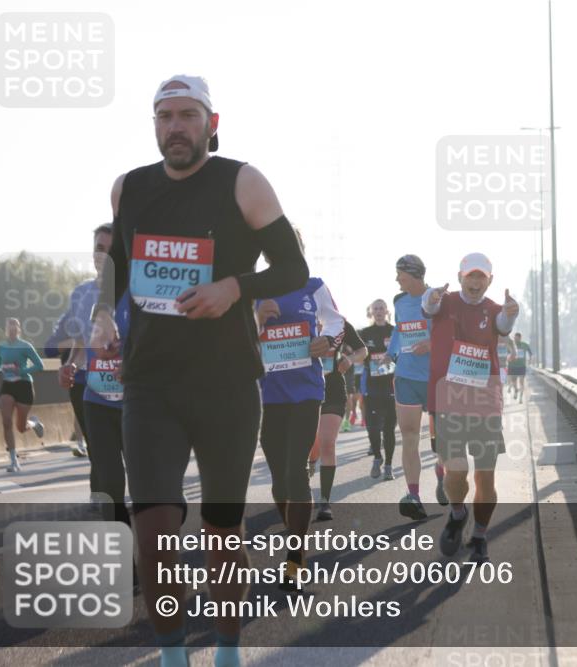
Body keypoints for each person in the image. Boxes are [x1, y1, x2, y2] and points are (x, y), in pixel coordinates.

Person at [90, 75, 309, 667]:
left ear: (212, 122)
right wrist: (103, 314)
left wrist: (235, 287)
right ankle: (170, 654)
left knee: (221, 534)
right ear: (154, 125)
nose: (175, 126)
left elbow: (293, 268)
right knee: (154, 532)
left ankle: (228, 650)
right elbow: (119, 263)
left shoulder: (243, 181)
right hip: (150, 384)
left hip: (228, 385)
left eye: (188, 115)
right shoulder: (129, 188)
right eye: (164, 116)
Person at [255, 250, 343, 591]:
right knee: (279, 480)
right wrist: (257, 317)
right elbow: (235, 335)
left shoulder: (313, 285)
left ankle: (295, 557)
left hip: (307, 390)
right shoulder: (256, 288)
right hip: (270, 393)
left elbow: (336, 321)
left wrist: (328, 341)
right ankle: (295, 534)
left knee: (296, 472)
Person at [423, 253, 519, 564]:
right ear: (460, 276)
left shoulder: (494, 310)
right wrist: (430, 295)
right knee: (455, 472)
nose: (475, 282)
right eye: (470, 276)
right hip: (449, 400)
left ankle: (479, 535)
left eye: (481, 277)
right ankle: (457, 512)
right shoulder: (445, 301)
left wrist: (511, 314)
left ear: (490, 280)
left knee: (485, 478)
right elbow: (429, 306)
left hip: (485, 403)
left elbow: (503, 325)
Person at [61, 292, 133, 529]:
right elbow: (81, 344)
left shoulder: (139, 306)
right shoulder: (89, 305)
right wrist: (71, 364)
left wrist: (131, 363)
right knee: (110, 479)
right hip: (97, 403)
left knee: (142, 479)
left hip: (134, 406)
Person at [45, 223, 115, 467]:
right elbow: (80, 340)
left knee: (132, 453)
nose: (104, 255)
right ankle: (104, 501)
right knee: (99, 451)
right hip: (87, 382)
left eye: (111, 248)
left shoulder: (134, 289)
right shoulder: (81, 293)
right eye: (99, 248)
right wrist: (71, 365)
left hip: (124, 381)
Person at [387, 255, 438, 519]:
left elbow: (451, 333)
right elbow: (399, 330)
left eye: (401, 276)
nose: (397, 280)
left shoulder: (436, 299)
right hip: (406, 376)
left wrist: (431, 345)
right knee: (409, 435)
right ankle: (414, 495)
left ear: (415, 275)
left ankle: (442, 475)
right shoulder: (399, 301)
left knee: (441, 441)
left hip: (434, 378)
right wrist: (391, 351)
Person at [312, 319, 367, 520]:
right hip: (302, 388)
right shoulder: (296, 315)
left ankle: (324, 501)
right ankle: (310, 462)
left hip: (333, 389)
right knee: (310, 444)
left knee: (327, 443)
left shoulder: (339, 323)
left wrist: (350, 359)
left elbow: (363, 350)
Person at [0, 318, 46, 473]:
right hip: (7, 385)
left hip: (24, 385)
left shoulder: (25, 346)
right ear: (6, 329)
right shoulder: (1, 346)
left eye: (15, 326)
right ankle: (13, 461)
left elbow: (40, 366)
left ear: (18, 329)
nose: (12, 329)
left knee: (21, 427)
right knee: (6, 422)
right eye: (9, 326)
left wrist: (22, 371)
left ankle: (34, 424)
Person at [359, 299, 397, 480]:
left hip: (392, 387)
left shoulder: (394, 331)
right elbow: (357, 353)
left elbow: (403, 353)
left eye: (382, 308)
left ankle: (388, 465)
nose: (379, 311)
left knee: (389, 430)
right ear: (371, 312)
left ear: (387, 311)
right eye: (376, 308)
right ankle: (377, 457)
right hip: (372, 388)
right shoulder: (364, 333)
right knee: (373, 428)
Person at [506, 332, 534, 403]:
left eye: (517, 339)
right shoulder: (510, 345)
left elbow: (530, 353)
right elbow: (507, 354)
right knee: (513, 382)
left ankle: (521, 398)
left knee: (521, 382)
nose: (516, 340)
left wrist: (530, 360)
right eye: (515, 338)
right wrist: (508, 359)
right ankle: (516, 390)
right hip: (512, 366)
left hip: (521, 366)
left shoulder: (525, 345)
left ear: (520, 338)